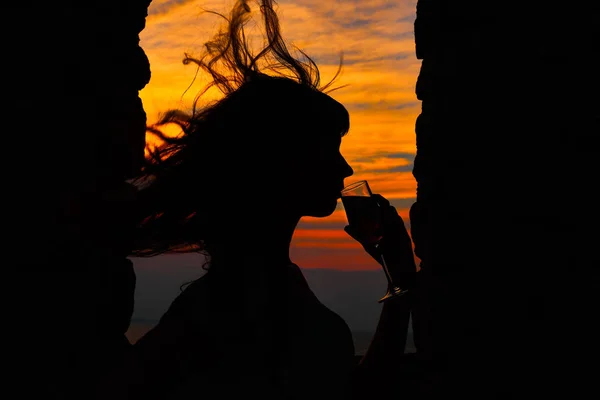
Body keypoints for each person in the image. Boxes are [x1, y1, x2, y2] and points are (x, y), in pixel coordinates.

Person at [114, 1, 418, 399]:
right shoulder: (223, 307)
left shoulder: (252, 288)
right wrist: (402, 283)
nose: (344, 169)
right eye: (329, 149)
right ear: (280, 161)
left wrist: (401, 280)